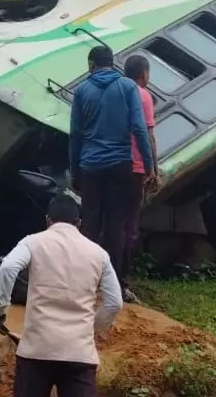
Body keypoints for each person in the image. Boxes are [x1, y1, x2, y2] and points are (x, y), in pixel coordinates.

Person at [0, 195, 122, 397]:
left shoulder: (33, 242)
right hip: (79, 354)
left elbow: (8, 267)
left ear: (47, 220)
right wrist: (91, 329)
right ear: (79, 223)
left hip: (36, 350)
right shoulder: (99, 254)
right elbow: (114, 303)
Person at [68, 45, 153, 291]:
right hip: (120, 165)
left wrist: (75, 170)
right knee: (116, 224)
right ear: (112, 62)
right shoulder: (128, 87)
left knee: (90, 224)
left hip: (91, 166)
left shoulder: (82, 90)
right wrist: (148, 165)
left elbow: (75, 134)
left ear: (91, 64)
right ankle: (111, 282)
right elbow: (140, 129)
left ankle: (85, 280)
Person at [121, 54, 158, 303]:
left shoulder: (113, 94)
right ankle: (120, 282)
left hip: (107, 165)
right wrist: (152, 168)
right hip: (133, 168)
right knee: (129, 227)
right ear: (144, 74)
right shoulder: (143, 96)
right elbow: (148, 135)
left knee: (108, 223)